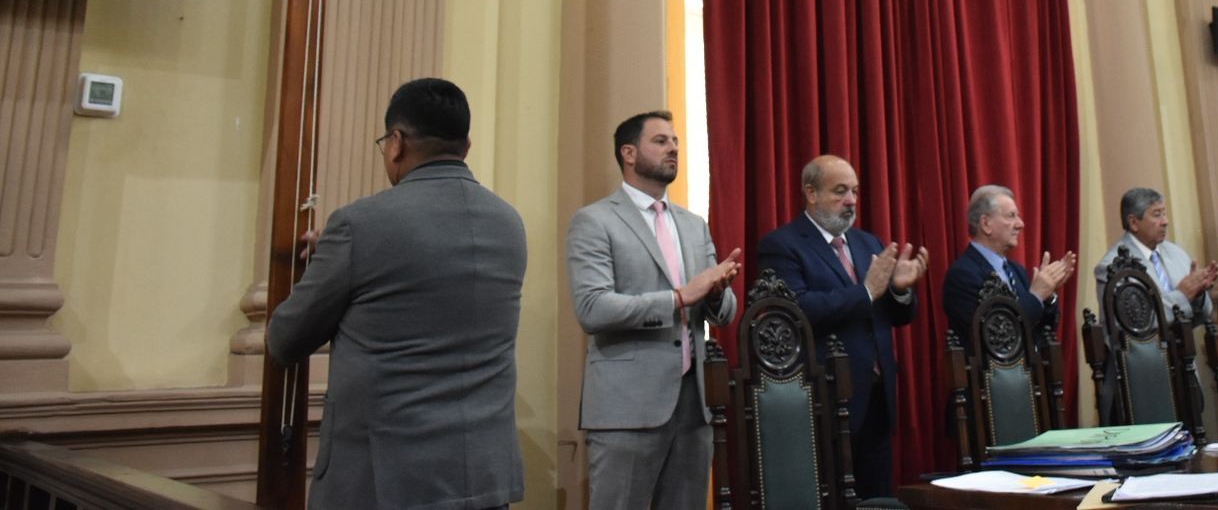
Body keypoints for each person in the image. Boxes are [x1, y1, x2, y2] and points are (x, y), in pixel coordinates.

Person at [266, 78, 526, 510]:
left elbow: (285, 340)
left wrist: (334, 260)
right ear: (466, 146)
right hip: (480, 480)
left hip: (384, 484)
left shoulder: (359, 225)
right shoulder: (509, 224)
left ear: (396, 143)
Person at [565, 110, 741, 510]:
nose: (673, 148)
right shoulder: (594, 221)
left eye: (675, 141)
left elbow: (724, 313)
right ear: (628, 153)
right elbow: (592, 308)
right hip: (626, 407)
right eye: (661, 141)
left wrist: (716, 293)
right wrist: (678, 298)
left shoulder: (693, 224)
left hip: (694, 405)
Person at [757, 154, 928, 499]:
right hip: (824, 398)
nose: (851, 200)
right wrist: (865, 292)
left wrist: (899, 290)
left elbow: (895, 317)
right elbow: (797, 311)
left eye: (854, 191)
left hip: (877, 396)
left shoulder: (869, 244)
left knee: (877, 498)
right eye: (840, 191)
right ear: (811, 193)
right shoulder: (782, 246)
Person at [942, 184, 1075, 347]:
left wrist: (1047, 296)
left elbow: (1043, 333)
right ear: (986, 224)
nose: (1020, 224)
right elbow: (994, 336)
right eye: (1011, 216)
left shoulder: (1017, 271)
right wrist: (1036, 296)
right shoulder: (962, 275)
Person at [1092, 186, 1218, 324]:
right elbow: (1136, 321)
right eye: (1157, 215)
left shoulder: (1176, 253)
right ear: (1133, 223)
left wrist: (1198, 295)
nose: (1165, 222)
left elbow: (1204, 315)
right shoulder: (1112, 266)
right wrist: (1182, 296)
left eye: (1164, 213)